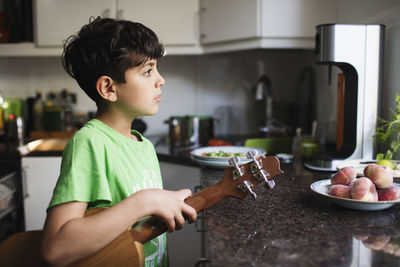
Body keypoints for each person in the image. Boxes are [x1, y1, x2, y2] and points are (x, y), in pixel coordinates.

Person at [41, 17, 197, 267]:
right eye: (148, 71)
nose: (160, 79)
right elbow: (55, 249)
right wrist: (145, 201)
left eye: (156, 68)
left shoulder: (143, 145)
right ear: (108, 88)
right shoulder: (89, 142)